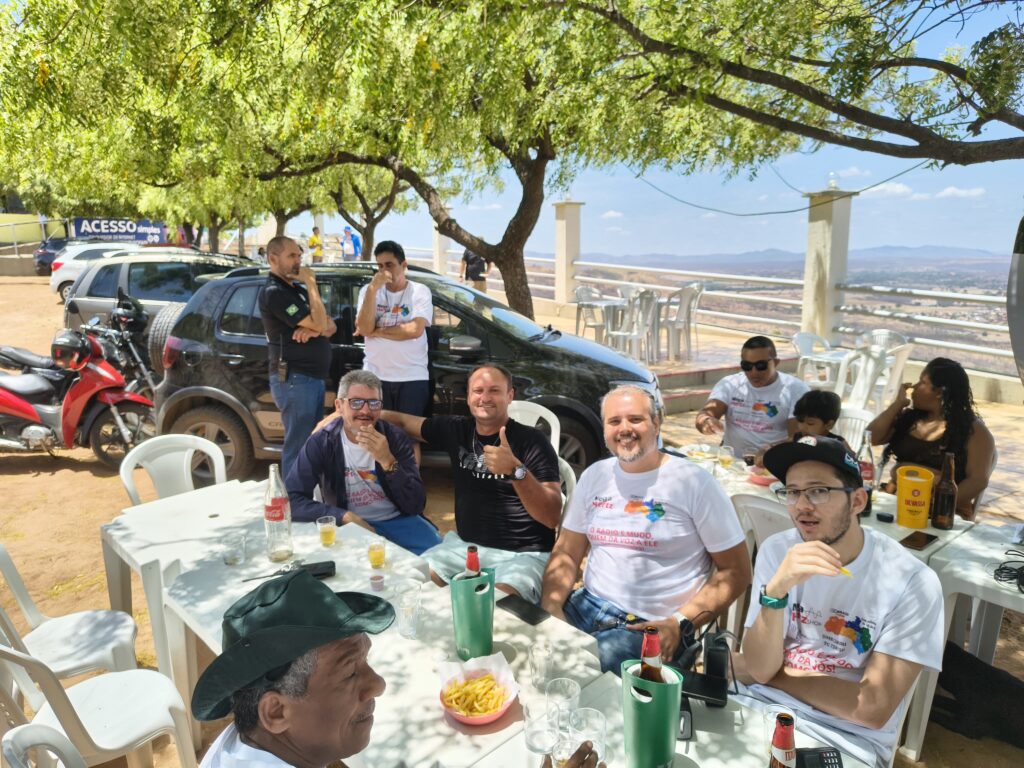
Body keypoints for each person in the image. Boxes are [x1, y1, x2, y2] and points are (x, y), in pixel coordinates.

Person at [192, 568, 605, 768]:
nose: (378, 684)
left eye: (365, 662)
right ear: (276, 711)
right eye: (349, 672)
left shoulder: (251, 743)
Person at [735, 435, 944, 768]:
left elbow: (871, 707)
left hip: (844, 739)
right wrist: (775, 593)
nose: (802, 505)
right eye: (792, 492)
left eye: (818, 491)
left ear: (857, 501)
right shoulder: (778, 551)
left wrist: (774, 674)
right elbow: (759, 667)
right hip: (757, 708)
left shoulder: (912, 581)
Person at [541, 385, 752, 674]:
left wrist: (680, 622)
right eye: (614, 421)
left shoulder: (694, 483)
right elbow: (567, 551)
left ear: (657, 422)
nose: (624, 429)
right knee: (530, 653)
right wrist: (551, 606)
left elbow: (736, 571)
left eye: (635, 419)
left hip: (650, 626)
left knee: (579, 673)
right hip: (584, 606)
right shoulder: (595, 476)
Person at [382, 365, 562, 602]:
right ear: (468, 397)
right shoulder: (457, 429)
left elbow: (551, 517)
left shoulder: (532, 441)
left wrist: (516, 471)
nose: (485, 398)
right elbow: (404, 422)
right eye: (478, 391)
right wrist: (353, 412)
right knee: (407, 582)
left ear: (510, 395)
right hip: (465, 549)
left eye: (494, 390)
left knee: (495, 605)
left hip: (522, 556)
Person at [287, 370, 442, 555]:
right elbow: (291, 500)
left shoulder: (394, 439)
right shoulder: (322, 442)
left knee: (440, 558)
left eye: (373, 403)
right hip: (348, 526)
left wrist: (388, 461)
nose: (366, 411)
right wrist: (344, 516)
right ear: (339, 406)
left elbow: (415, 504)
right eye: (356, 402)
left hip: (397, 520)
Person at [868, 357, 995, 519]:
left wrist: (934, 504)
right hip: (899, 499)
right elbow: (871, 437)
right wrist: (897, 405)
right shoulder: (909, 419)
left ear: (940, 392)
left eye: (922, 382)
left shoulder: (974, 431)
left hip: (944, 511)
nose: (914, 387)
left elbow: (977, 481)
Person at [259, 235, 336, 477]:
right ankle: (294, 496)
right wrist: (312, 284)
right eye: (292, 255)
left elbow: (330, 325)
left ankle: (307, 494)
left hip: (310, 379)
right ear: (273, 259)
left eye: (299, 255)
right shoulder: (275, 292)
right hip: (295, 379)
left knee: (311, 443)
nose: (298, 261)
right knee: (299, 445)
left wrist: (314, 329)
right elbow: (322, 322)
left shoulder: (295, 290)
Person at [355, 241, 432, 461]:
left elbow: (415, 329)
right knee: (375, 437)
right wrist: (373, 290)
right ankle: (381, 482)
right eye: (379, 266)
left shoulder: (419, 291)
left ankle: (409, 482)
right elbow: (364, 328)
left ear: (403, 265)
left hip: (411, 377)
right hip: (375, 377)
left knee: (409, 439)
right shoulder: (368, 291)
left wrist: (377, 331)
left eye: (389, 265)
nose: (384, 271)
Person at [696, 336, 809, 460]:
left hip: (773, 462)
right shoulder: (730, 384)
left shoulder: (795, 389)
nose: (754, 372)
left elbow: (798, 437)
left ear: (776, 363)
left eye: (761, 365)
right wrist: (706, 422)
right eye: (747, 366)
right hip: (732, 461)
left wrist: (771, 451)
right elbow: (706, 413)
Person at [755, 390, 850, 465]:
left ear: (829, 424)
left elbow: (854, 465)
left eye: (810, 423)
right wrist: (766, 452)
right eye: (800, 421)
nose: (802, 428)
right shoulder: (799, 438)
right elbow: (775, 447)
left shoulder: (838, 444)